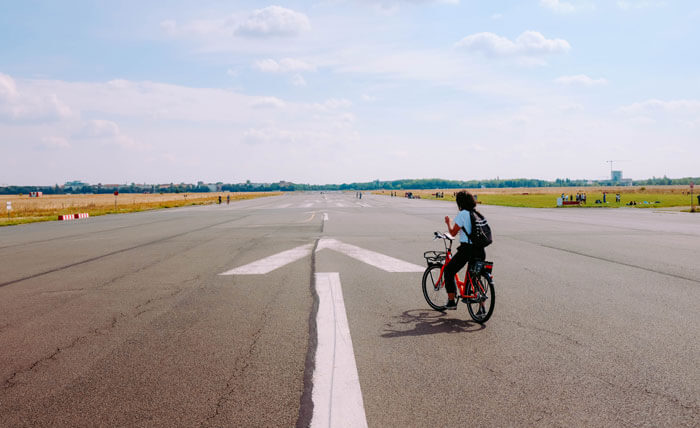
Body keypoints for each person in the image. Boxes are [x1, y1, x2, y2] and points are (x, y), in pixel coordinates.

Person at [442, 191, 486, 310]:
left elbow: (453, 233)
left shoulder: (463, 214)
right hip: (480, 249)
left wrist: (448, 223)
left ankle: (451, 301)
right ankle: (482, 308)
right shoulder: (477, 213)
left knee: (449, 270)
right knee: (475, 276)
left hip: (467, 249)